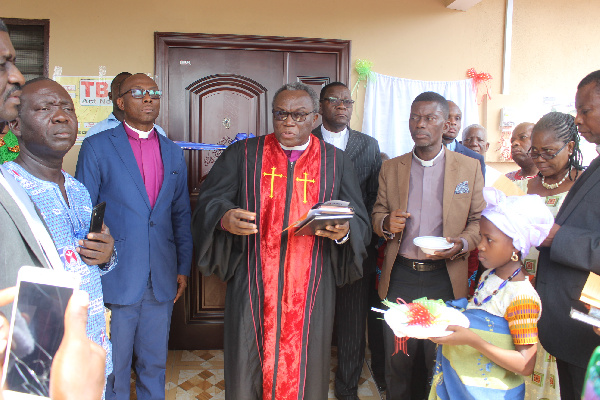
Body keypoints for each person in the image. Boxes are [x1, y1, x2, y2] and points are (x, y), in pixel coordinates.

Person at [192, 82, 370, 400]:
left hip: (312, 283)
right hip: (253, 281)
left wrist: (342, 233)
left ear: (315, 118)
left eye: (299, 115)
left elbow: (358, 220)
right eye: (281, 114)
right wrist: (224, 218)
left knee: (304, 367)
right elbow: (209, 200)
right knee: (248, 364)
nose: (289, 121)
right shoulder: (244, 154)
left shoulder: (335, 162)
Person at [75, 73, 193, 400]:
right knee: (112, 368)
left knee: (154, 364)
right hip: (115, 277)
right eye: (138, 92)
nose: (147, 98)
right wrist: (88, 273)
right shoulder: (98, 147)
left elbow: (180, 214)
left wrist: (182, 266)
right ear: (120, 102)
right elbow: (85, 215)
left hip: (161, 277)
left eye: (153, 92)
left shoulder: (172, 152)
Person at [372, 91, 485, 399]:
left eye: (429, 118)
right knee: (399, 362)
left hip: (445, 278)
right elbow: (378, 211)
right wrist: (385, 223)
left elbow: (477, 221)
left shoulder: (469, 168)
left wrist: (462, 242)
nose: (420, 124)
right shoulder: (391, 168)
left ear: (445, 123)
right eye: (415, 117)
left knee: (438, 361)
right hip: (401, 276)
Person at [3, 78, 117, 379]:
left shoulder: (78, 190)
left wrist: (105, 254)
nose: (61, 115)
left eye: (68, 108)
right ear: (16, 125)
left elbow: (84, 262)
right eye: (45, 108)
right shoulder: (7, 191)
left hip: (90, 356)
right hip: (38, 369)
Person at [429, 187, 553, 400]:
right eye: (480, 238)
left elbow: (525, 365)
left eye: (489, 239)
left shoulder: (521, 297)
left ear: (516, 246)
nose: (481, 247)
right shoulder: (489, 276)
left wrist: (473, 340)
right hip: (463, 385)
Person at [311, 81, 382, 399]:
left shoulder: (368, 145)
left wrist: (359, 234)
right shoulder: (306, 140)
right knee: (312, 317)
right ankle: (307, 381)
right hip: (311, 247)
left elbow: (374, 198)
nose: (342, 105)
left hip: (356, 247)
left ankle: (347, 388)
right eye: (334, 100)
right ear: (321, 106)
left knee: (354, 321)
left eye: (347, 101)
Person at [535, 70, 600, 400]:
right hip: (573, 328)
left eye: (585, 110)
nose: (578, 118)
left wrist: (557, 237)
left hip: (590, 331)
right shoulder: (596, 165)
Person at [515, 112, 584, 400]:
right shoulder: (523, 187)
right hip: (524, 294)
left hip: (564, 298)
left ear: (569, 147)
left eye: (548, 152)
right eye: (535, 151)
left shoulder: (584, 188)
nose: (539, 159)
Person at [84, 72, 166, 139]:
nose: (147, 99)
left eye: (135, 91)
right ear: (110, 96)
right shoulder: (96, 132)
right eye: (120, 86)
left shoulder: (158, 132)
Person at [443, 100, 486, 177]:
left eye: (457, 118)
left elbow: (477, 188)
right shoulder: (422, 152)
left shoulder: (475, 159)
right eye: (447, 117)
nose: (453, 122)